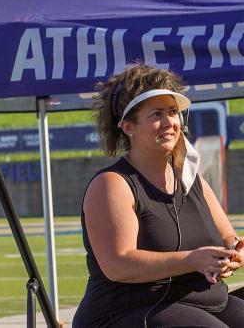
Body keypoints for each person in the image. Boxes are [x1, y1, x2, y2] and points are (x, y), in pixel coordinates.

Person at [73, 63, 244, 327]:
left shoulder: (191, 179)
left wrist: (233, 255)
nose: (169, 122)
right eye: (156, 114)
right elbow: (118, 264)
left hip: (207, 303)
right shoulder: (112, 184)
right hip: (130, 310)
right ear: (128, 127)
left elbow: (228, 237)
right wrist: (192, 259)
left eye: (173, 112)